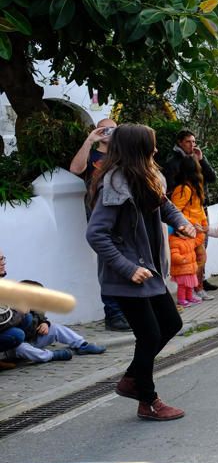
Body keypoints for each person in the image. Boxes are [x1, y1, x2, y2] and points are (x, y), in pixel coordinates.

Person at [86, 123, 197, 421]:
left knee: (170, 323)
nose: (157, 150)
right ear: (138, 149)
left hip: (148, 270)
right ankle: (147, 400)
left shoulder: (146, 177)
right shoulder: (115, 184)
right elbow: (96, 234)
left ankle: (131, 379)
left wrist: (182, 223)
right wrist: (127, 268)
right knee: (148, 334)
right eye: (152, 145)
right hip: (126, 276)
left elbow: (165, 205)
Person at [69, 118, 130, 332]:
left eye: (113, 129)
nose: (108, 133)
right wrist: (90, 140)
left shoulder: (123, 156)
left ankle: (128, 312)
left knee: (128, 263)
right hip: (100, 217)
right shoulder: (93, 155)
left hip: (124, 216)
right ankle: (113, 314)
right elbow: (76, 169)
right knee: (108, 265)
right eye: (104, 128)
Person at [169, 156, 212, 301]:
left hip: (196, 232)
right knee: (197, 261)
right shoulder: (183, 189)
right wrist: (191, 225)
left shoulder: (194, 187)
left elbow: (199, 208)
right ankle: (193, 290)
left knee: (199, 260)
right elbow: (175, 211)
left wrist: (204, 224)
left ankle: (195, 289)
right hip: (187, 234)